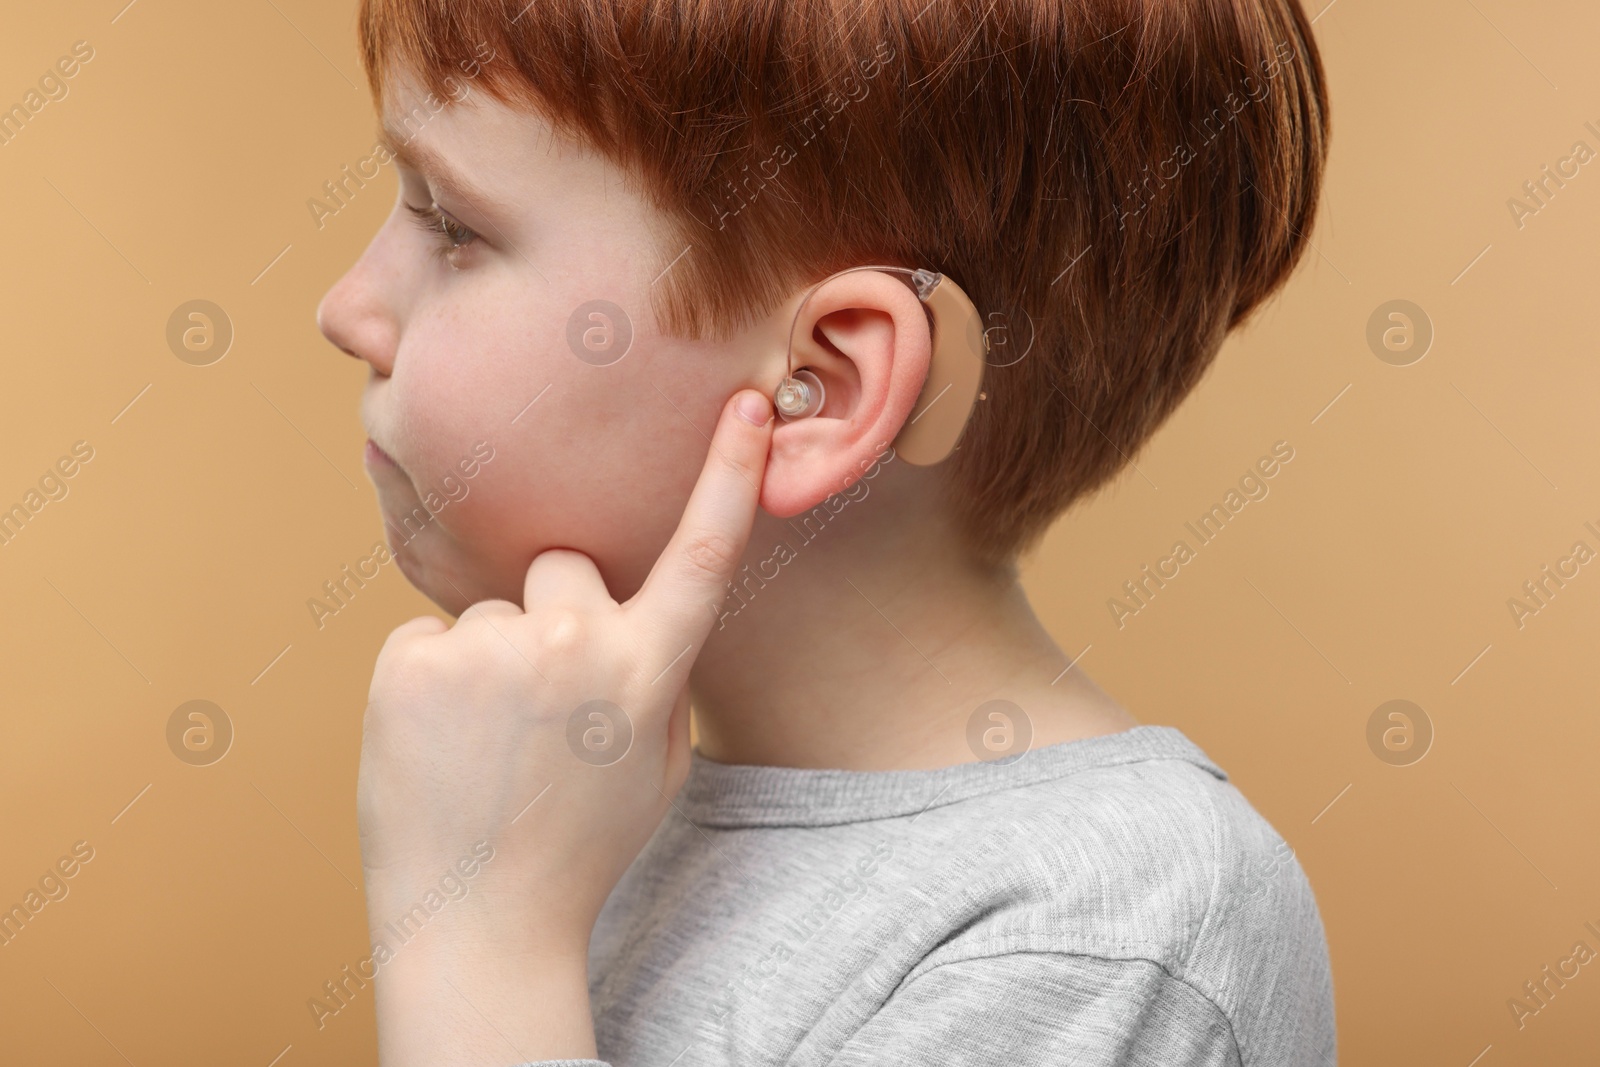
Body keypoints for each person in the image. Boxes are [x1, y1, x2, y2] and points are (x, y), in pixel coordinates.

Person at [314, 0, 1335, 1063]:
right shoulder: (577, 815)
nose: (348, 307)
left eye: (452, 227)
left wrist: (475, 938)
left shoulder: (1102, 932)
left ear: (824, 386)